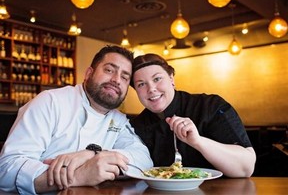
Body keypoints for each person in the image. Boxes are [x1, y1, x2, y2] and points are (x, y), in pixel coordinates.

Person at [0, 45, 153, 194]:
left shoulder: (119, 119)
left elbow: (144, 160)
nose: (116, 80)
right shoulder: (50, 101)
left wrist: (94, 155)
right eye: (109, 70)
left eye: (125, 77)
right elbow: (7, 170)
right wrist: (79, 175)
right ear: (88, 74)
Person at [130, 53, 256, 178]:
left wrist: (198, 142)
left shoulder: (210, 106)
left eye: (157, 79)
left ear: (171, 79)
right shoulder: (135, 126)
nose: (151, 89)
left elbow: (246, 168)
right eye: (141, 84)